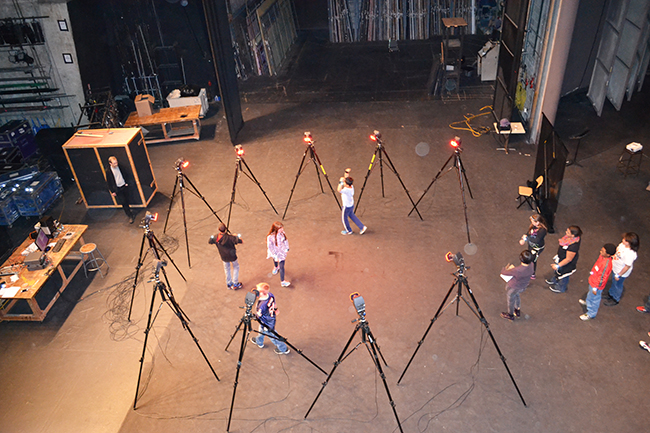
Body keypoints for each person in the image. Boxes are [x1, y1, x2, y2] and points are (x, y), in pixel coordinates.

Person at [578, 243, 616, 321]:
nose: (600, 251)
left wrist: (596, 288)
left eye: (603, 251)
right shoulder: (602, 257)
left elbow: (602, 278)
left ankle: (591, 313)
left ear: (608, 254)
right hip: (593, 281)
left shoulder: (606, 265)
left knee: (595, 298)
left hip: (596, 286)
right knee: (590, 294)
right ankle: (588, 303)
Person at [250, 282, 290, 355]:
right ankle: (259, 341)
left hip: (266, 323)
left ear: (262, 293)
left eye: (258, 291)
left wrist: (252, 316)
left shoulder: (262, 305)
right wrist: (276, 309)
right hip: (271, 318)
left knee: (272, 335)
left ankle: (283, 348)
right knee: (261, 330)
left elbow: (258, 315)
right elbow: (274, 304)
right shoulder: (270, 295)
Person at [604, 232, 640, 306]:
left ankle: (615, 298)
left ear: (630, 243)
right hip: (615, 268)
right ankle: (611, 294)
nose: (623, 240)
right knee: (614, 282)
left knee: (618, 285)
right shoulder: (622, 245)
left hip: (620, 272)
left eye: (625, 240)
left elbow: (627, 266)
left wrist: (619, 275)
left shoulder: (630, 254)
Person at [546, 225, 582, 293]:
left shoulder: (573, 247)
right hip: (561, 258)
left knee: (564, 275)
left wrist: (558, 265)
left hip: (566, 264)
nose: (566, 233)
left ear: (573, 235)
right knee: (558, 272)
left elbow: (568, 259)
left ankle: (561, 287)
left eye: (568, 232)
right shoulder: (570, 239)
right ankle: (555, 279)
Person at [500, 250, 535, 321]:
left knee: (510, 299)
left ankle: (510, 315)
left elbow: (504, 272)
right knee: (517, 295)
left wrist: (504, 268)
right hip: (523, 286)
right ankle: (517, 309)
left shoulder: (518, 270)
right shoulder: (532, 265)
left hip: (514, 287)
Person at [209, 223, 243, 290]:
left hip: (224, 256)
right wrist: (236, 236)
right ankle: (235, 283)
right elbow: (240, 241)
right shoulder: (230, 238)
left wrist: (212, 237)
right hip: (232, 255)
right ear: (226, 229)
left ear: (219, 230)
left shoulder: (216, 237)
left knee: (227, 269)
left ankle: (229, 283)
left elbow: (210, 241)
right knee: (236, 267)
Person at [106, 156, 135, 224]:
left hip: (124, 186)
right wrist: (112, 191)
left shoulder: (120, 167)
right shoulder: (108, 171)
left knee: (128, 198)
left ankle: (130, 210)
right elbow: (109, 182)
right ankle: (129, 215)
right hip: (117, 189)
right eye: (114, 163)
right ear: (110, 163)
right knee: (123, 201)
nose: (116, 164)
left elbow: (126, 174)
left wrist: (127, 182)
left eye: (116, 162)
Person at [519, 214, 547, 279]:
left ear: (538, 222)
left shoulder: (542, 230)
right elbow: (528, 233)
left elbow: (537, 240)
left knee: (533, 260)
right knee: (529, 257)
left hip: (537, 248)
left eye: (533, 221)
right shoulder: (533, 226)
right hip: (531, 246)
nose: (532, 223)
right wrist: (523, 239)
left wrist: (527, 238)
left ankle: (532, 273)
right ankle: (528, 269)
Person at [267, 221, 290, 287]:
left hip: (282, 252)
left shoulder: (282, 233)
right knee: (275, 260)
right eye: (280, 229)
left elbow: (285, 240)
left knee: (282, 266)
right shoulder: (270, 237)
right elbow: (270, 247)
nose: (282, 230)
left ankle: (282, 282)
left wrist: (287, 248)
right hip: (275, 252)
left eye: (282, 228)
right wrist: (275, 255)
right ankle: (276, 267)